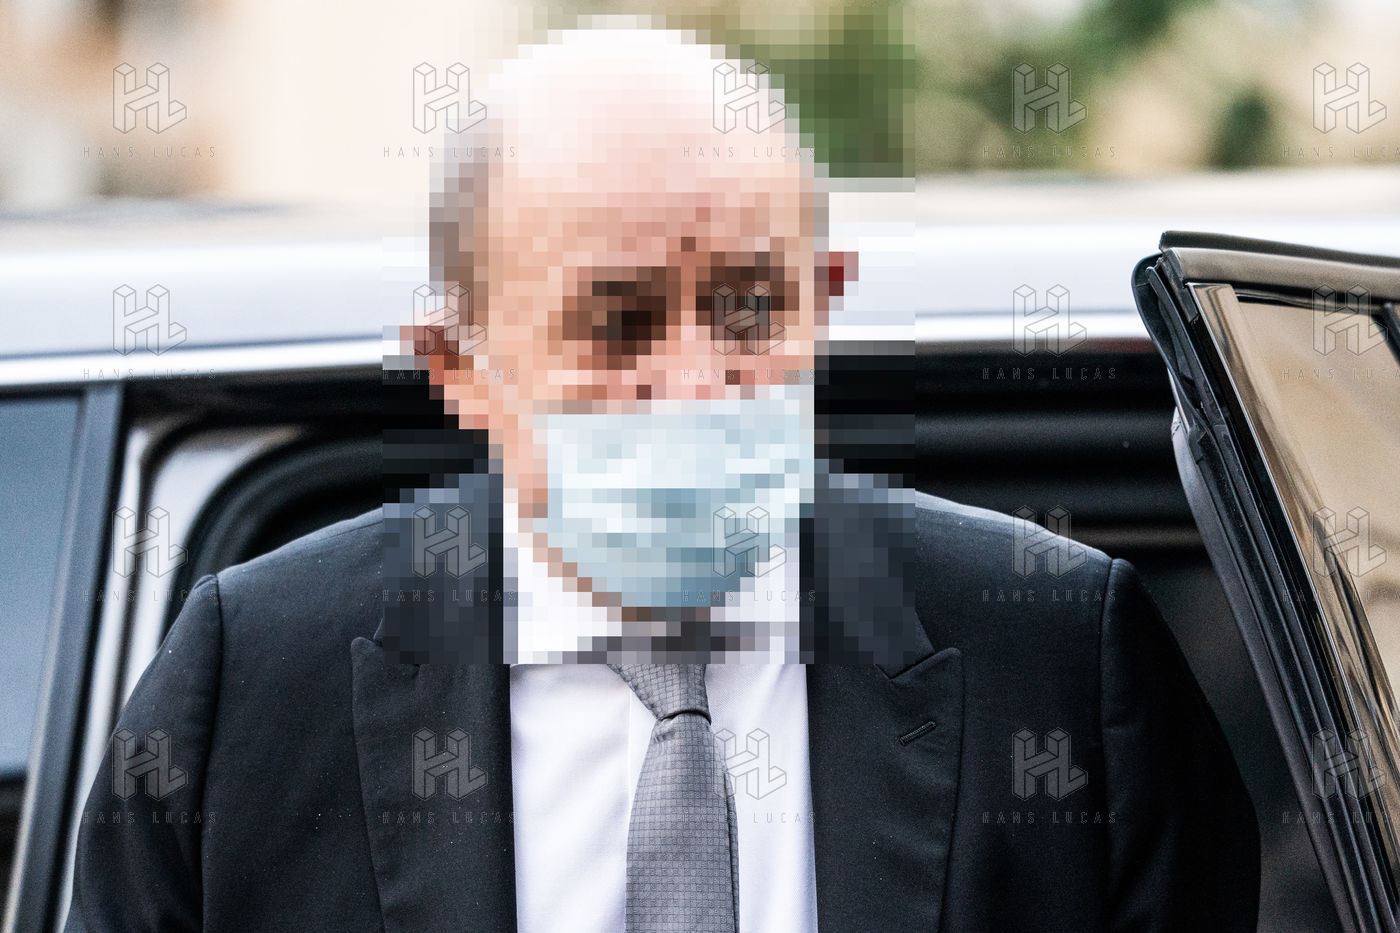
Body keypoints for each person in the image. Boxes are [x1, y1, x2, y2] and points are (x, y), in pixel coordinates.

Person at [66, 26, 1258, 933]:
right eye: (616, 323)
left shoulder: (1053, 655)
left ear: (825, 299)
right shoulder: (257, 686)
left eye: (749, 309)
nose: (694, 379)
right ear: (457, 367)